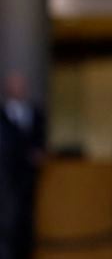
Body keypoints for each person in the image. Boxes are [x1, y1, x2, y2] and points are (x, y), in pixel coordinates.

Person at [0, 72, 44, 259]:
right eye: (14, 84)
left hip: (28, 178)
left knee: (26, 220)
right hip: (4, 176)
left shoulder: (35, 113)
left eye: (21, 84)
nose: (18, 88)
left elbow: (40, 143)